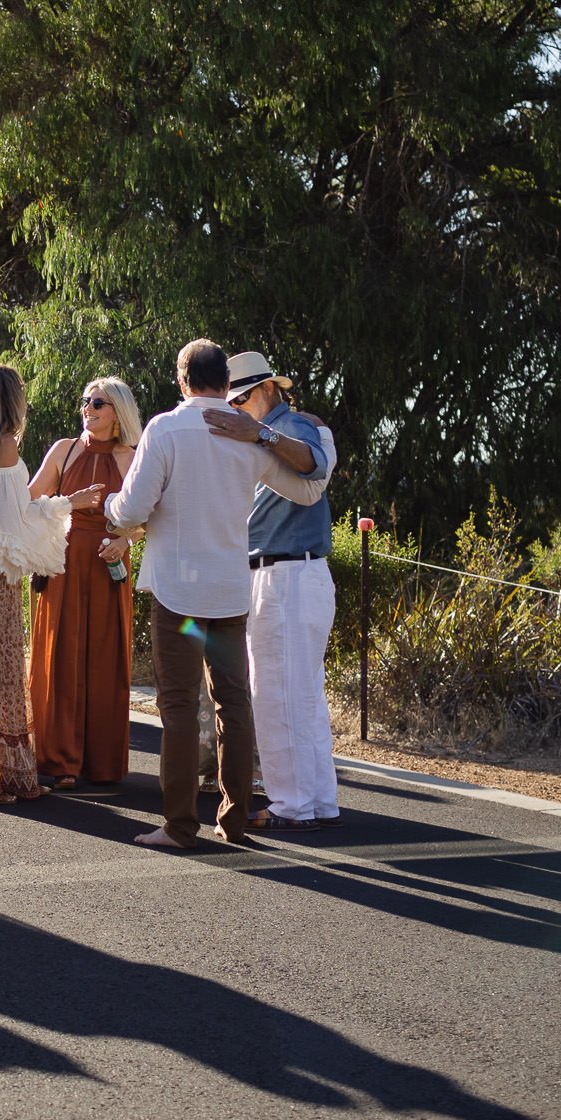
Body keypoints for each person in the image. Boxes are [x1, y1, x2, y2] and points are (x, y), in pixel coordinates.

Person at [103, 339, 268, 849]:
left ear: (182, 380)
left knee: (177, 706)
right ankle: (235, 818)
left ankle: (178, 825)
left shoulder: (166, 428)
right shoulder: (248, 434)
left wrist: (111, 505)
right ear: (226, 382)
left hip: (181, 598)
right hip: (228, 594)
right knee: (233, 703)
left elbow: (131, 510)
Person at [0, 363, 100, 802]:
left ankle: (2, 771)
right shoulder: (4, 445)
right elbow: (18, 517)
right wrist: (71, 503)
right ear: (9, 399)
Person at [205, 351, 339, 832]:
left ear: (266, 389)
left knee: (275, 695)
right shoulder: (270, 434)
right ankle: (318, 800)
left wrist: (259, 433)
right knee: (301, 695)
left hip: (286, 575)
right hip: (288, 574)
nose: (237, 410)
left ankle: (292, 804)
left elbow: (312, 465)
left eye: (240, 399)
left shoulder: (290, 426)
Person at [28, 377, 143, 791]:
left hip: (108, 564)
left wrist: (125, 539)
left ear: (118, 412)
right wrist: (67, 504)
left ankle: (101, 761)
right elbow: (27, 501)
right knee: (62, 655)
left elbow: (147, 518)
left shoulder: (132, 457)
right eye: (85, 401)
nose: (88, 409)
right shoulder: (65, 449)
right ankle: (60, 760)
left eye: (98, 403)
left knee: (104, 657)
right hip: (62, 561)